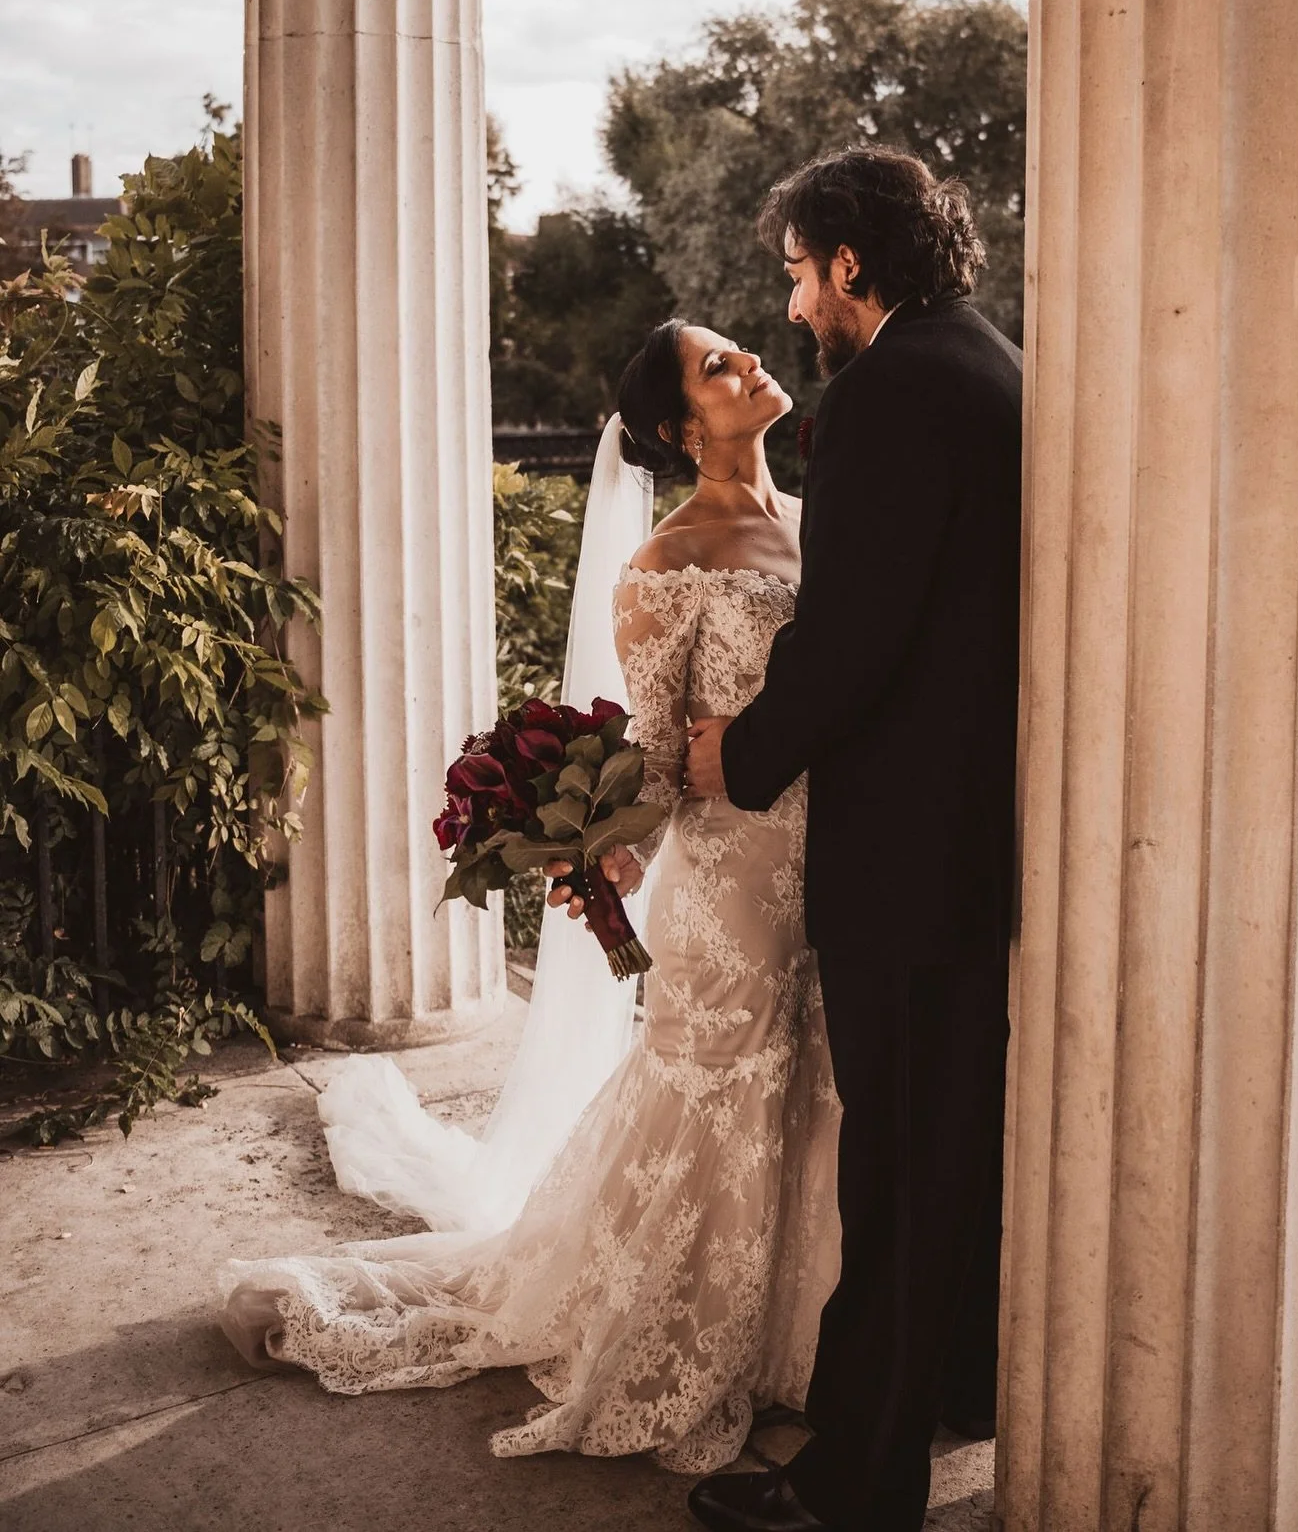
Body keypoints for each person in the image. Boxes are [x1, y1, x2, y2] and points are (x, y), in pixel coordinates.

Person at [218, 320, 843, 1476]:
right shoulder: (666, 562)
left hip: (832, 868)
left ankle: (804, 1343)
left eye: (741, 348)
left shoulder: (816, 523)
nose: (750, 361)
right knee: (726, 1110)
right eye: (717, 367)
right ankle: (695, 1339)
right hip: (730, 894)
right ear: (677, 428)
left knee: (817, 1099)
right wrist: (604, 854)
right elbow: (654, 758)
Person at [680, 147, 1022, 1532]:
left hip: (905, 843)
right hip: (976, 823)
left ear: (851, 261)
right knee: (953, 1143)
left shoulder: (884, 393)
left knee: (898, 1162)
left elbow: (853, 638)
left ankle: (853, 1483)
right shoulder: (991, 361)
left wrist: (739, 751)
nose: (795, 305)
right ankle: (965, 1387)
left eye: (798, 274)